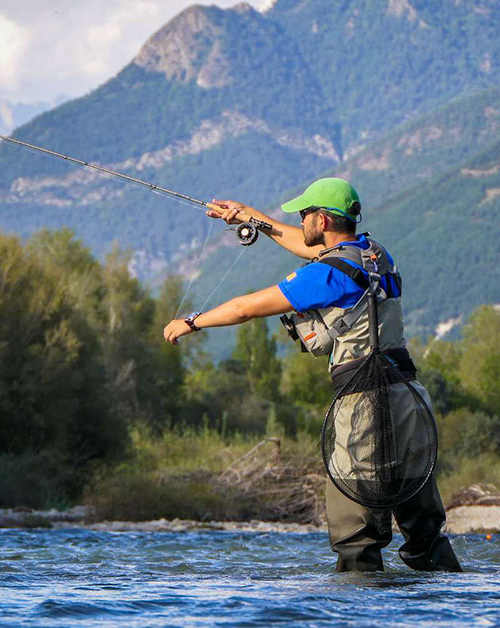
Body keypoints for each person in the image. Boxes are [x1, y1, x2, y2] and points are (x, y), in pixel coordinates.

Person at [162, 177, 461, 572]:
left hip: (364, 405)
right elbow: (302, 243)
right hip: (408, 397)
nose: (301, 221)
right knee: (424, 530)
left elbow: (246, 308)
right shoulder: (375, 254)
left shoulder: (326, 275)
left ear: (321, 220)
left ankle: (359, 614)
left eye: (305, 215)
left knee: (356, 535)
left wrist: (192, 321)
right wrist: (248, 215)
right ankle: (449, 599)